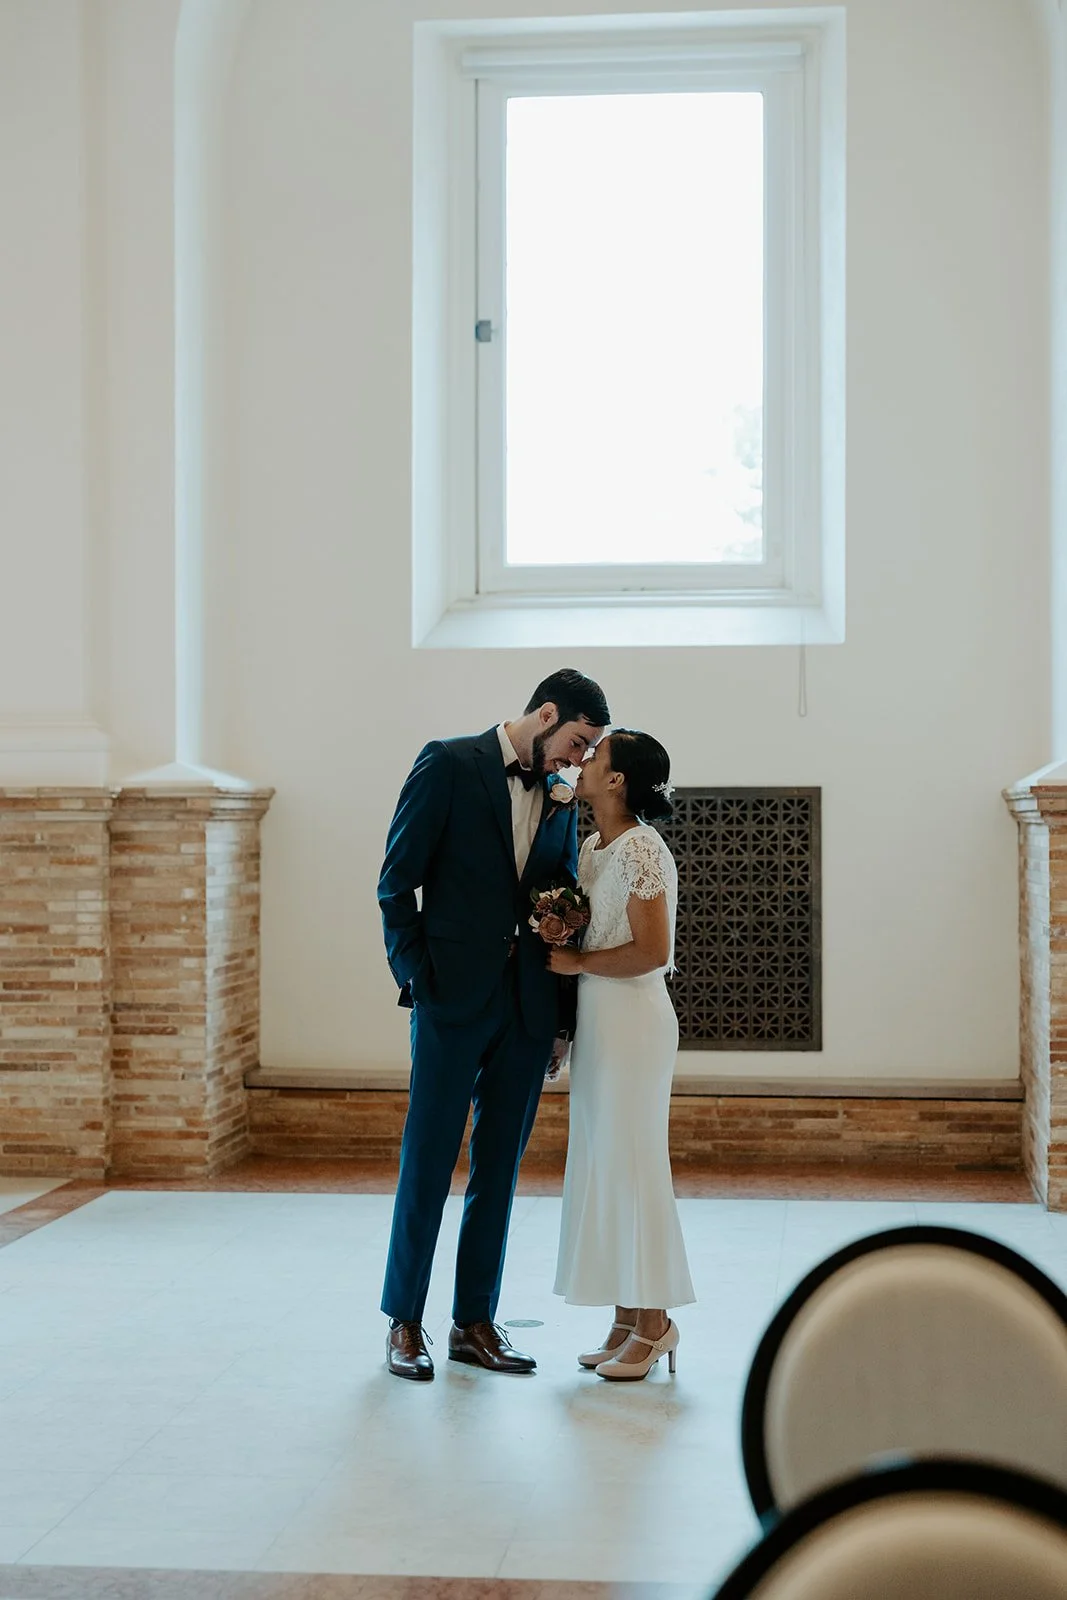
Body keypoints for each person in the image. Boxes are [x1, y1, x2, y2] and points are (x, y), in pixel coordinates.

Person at [378, 668, 611, 1380]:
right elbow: (396, 883)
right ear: (545, 714)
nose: (577, 760)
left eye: (587, 750)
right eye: (575, 742)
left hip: (527, 1005)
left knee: (499, 1169)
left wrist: (562, 1021)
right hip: (450, 998)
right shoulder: (448, 762)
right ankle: (404, 1323)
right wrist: (417, 978)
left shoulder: (562, 797)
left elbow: (557, 894)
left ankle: (473, 1322)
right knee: (428, 1160)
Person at [549, 729, 695, 1381]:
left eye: (594, 758)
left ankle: (657, 1322)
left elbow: (651, 950)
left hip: (634, 1020)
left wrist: (576, 959)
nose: (582, 764)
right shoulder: (592, 846)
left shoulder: (641, 846)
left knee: (634, 1166)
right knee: (603, 1164)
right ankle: (623, 1314)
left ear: (616, 781)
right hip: (597, 1019)